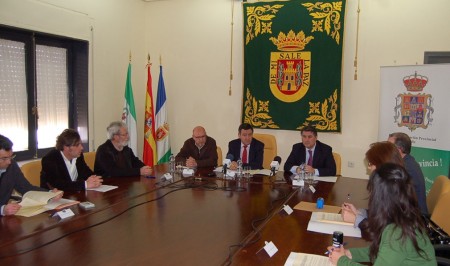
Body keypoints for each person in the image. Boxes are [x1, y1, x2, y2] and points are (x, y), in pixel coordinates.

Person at [327, 163, 436, 265]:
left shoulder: (397, 234)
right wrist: (349, 254)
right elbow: (382, 251)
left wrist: (341, 261)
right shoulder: (403, 216)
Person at [341, 141, 404, 226]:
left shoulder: (389, 189)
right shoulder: (396, 182)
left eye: (370, 164)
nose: (368, 167)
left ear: (380, 165)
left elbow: (380, 231)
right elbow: (380, 215)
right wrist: (360, 213)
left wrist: (356, 219)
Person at [0, 134, 62, 216]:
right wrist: (2, 209)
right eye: (4, 158)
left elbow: (26, 188)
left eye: (11, 157)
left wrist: (50, 194)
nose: (9, 162)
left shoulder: (12, 166)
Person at [388, 132, 428, 215]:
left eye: (389, 146)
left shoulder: (407, 168)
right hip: (408, 214)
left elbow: (391, 196)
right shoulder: (406, 162)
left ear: (399, 150)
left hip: (415, 220)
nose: (386, 149)